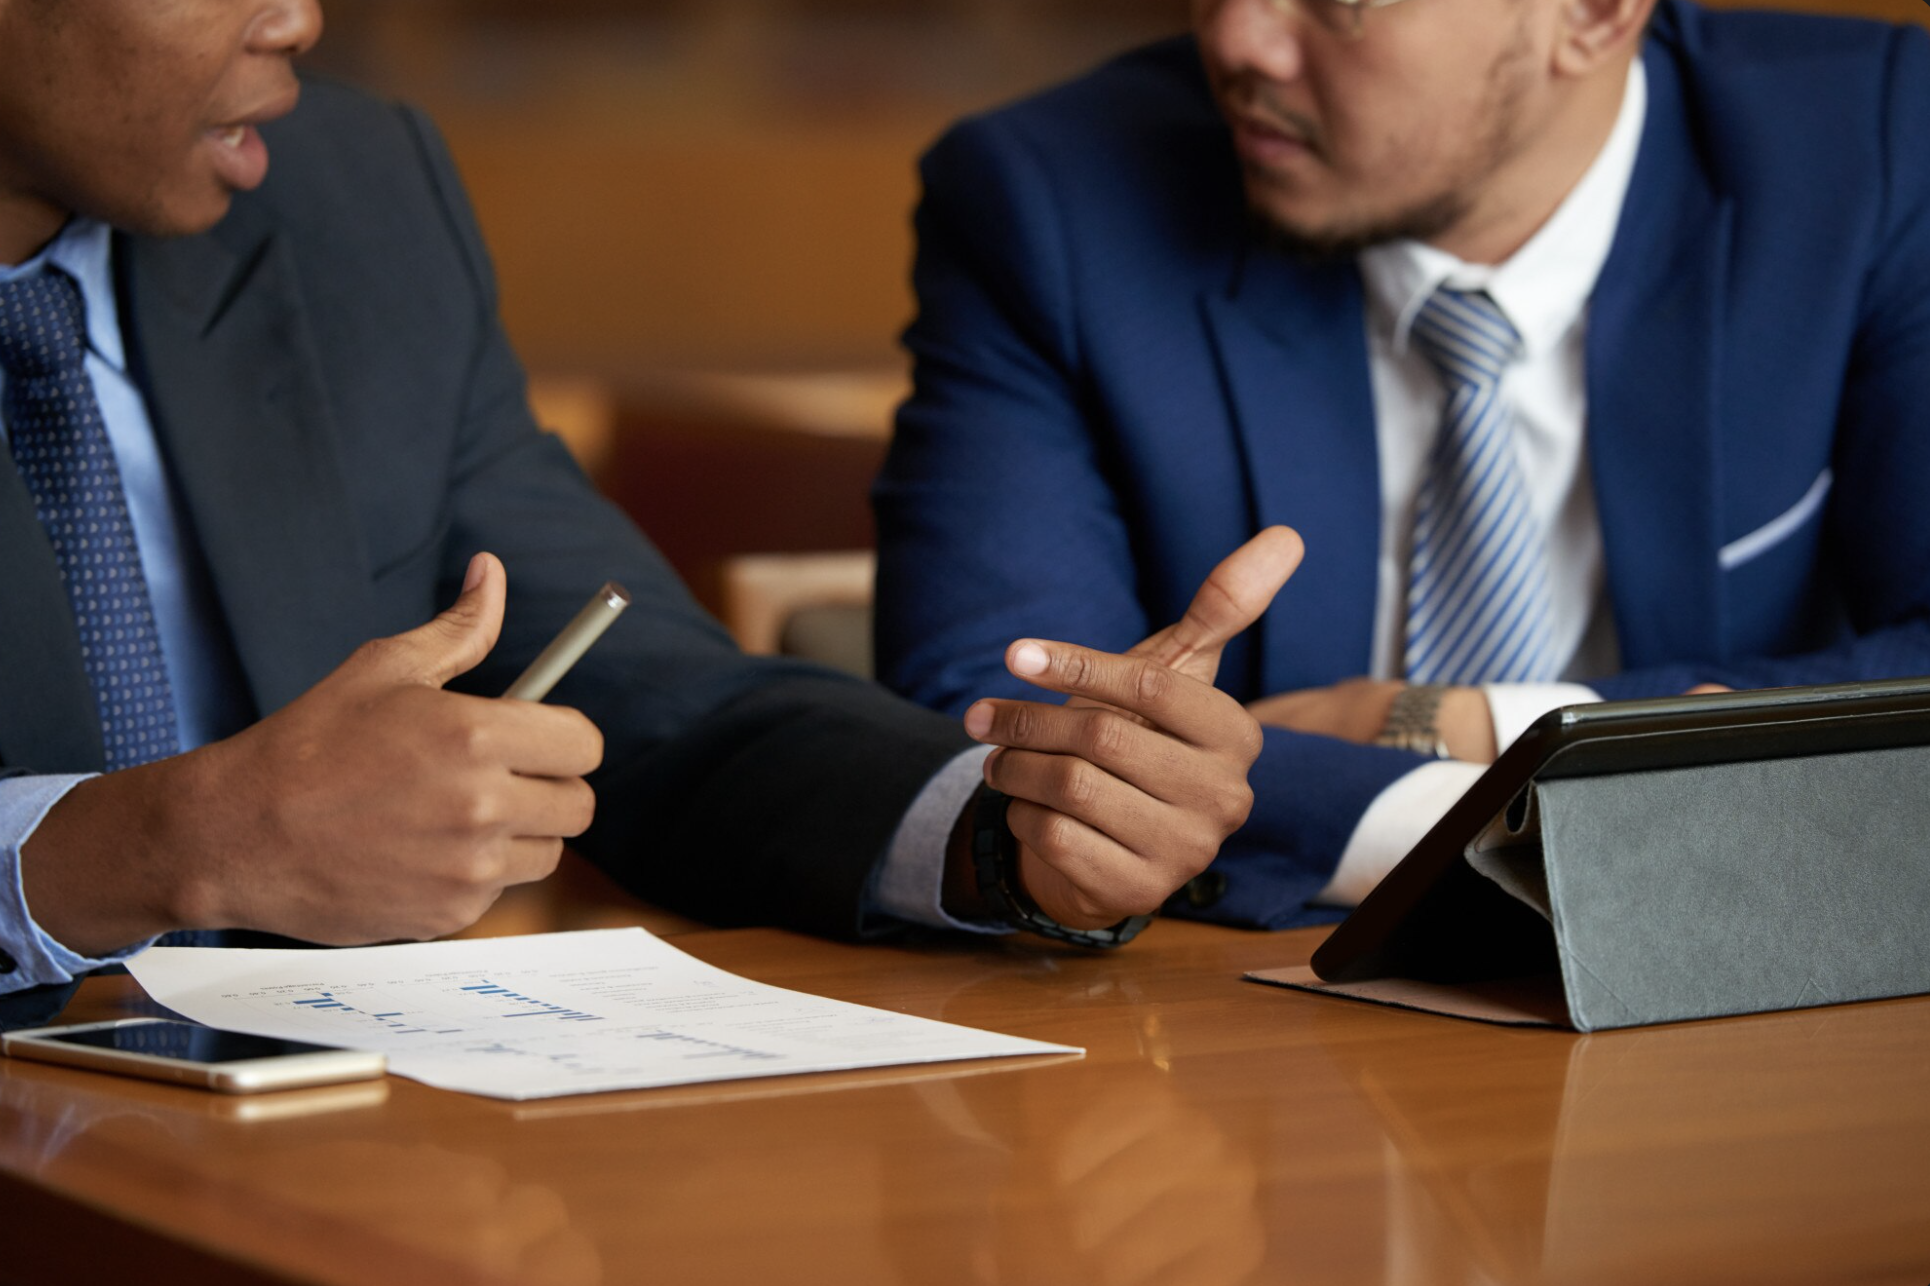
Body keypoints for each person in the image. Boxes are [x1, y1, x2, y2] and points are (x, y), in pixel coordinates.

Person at [0, 0, 1304, 1030]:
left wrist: (1012, 828)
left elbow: (654, 697)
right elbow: (209, 834)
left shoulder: (348, 191)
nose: (297, 17)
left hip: (341, 1150)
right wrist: (160, 845)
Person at [874, 0, 1930, 930]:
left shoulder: (1873, 144)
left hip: (1754, 997)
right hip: (1241, 1031)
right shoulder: (1052, 197)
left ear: (1596, 16)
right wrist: (1515, 831)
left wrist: (1465, 724)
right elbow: (995, 730)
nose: (1234, 35)